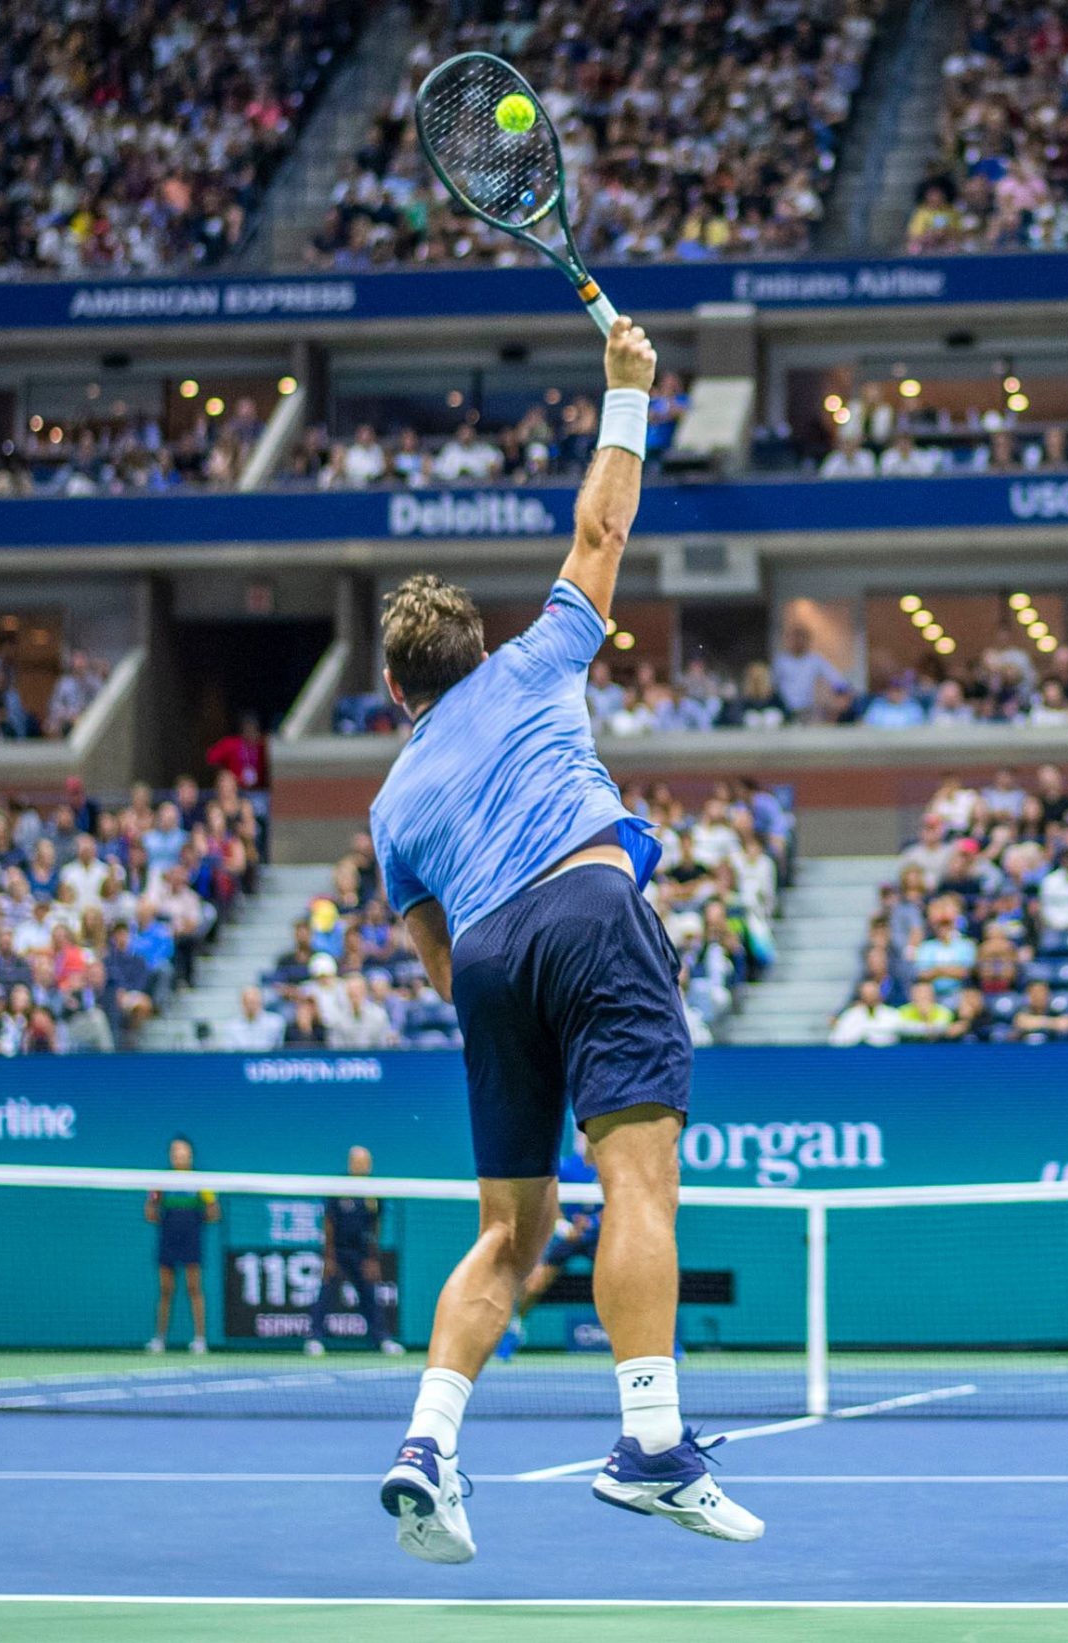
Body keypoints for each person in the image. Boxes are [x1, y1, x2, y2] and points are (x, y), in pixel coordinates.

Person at [366, 318, 760, 1562]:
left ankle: (427, 1444)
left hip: (486, 963)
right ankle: (649, 1442)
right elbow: (601, 532)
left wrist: (520, 986)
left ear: (395, 695)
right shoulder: (534, 661)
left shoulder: (389, 805)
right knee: (636, 1183)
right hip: (587, 910)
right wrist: (626, 391)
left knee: (510, 1232)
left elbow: (439, 964)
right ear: (475, 652)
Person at [496, 1133, 602, 1359]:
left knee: (623, 1285)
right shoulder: (564, 1167)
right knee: (533, 1284)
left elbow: (618, 1201)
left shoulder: (607, 1166)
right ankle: (514, 1330)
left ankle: (663, 1340)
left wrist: (592, 1223)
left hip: (600, 1236)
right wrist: (565, 1227)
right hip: (568, 1236)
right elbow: (549, 1200)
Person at [306, 1145, 405, 1357]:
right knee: (325, 1294)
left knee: (370, 1295)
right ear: (351, 1163)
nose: (362, 1166)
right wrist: (329, 1257)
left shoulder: (373, 1191)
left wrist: (373, 1258)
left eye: (365, 1163)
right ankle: (315, 1339)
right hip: (337, 1251)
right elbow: (328, 1222)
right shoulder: (339, 1187)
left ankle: (382, 1339)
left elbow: (375, 1225)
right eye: (358, 1162)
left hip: (361, 1254)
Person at [145, 1135, 218, 1354]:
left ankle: (200, 1339)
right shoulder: (162, 1181)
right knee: (165, 1290)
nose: (180, 1156)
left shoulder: (200, 1182)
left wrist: (194, 1220)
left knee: (194, 1288)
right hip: (168, 1239)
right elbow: (149, 1210)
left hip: (191, 1240)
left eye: (184, 1152)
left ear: (191, 1155)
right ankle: (159, 1339)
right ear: (171, 1156)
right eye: (175, 1152)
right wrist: (167, 1220)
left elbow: (214, 1211)